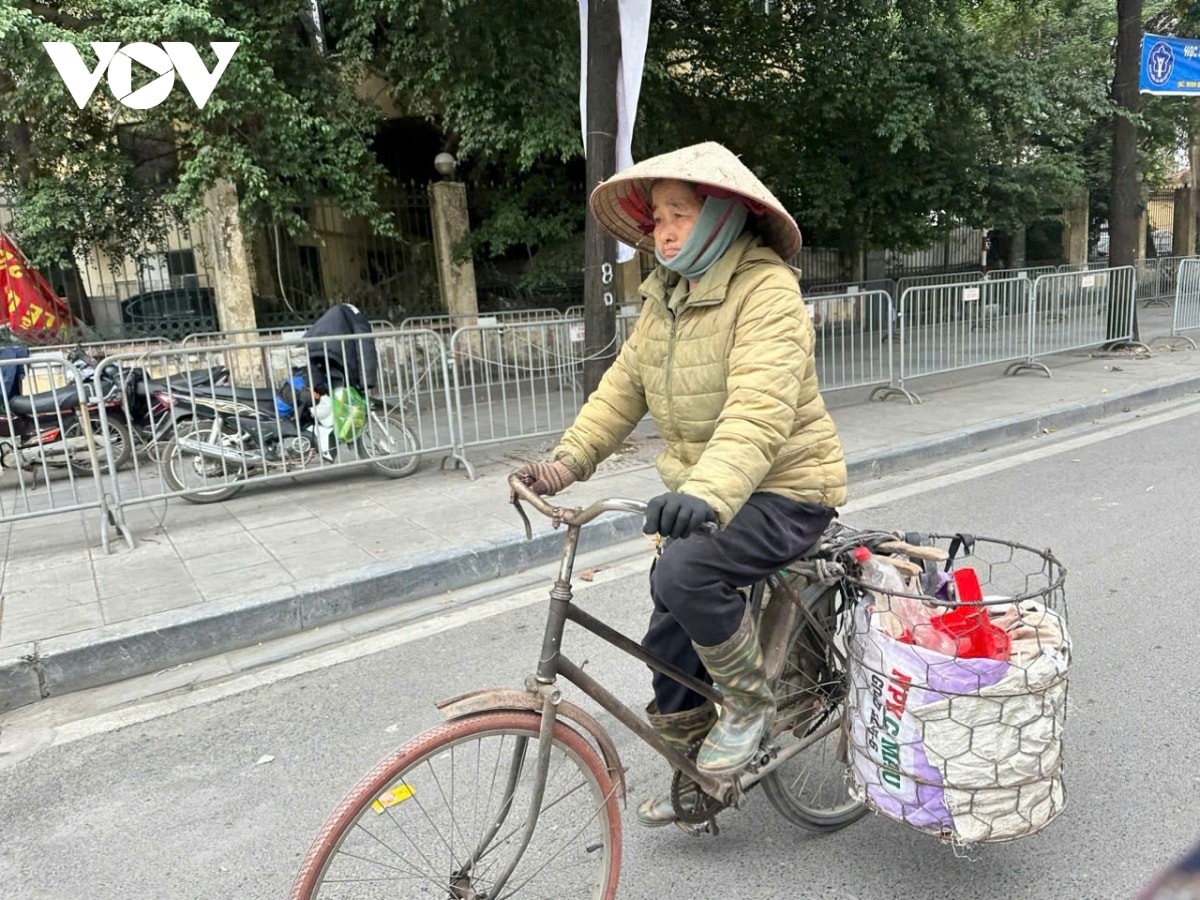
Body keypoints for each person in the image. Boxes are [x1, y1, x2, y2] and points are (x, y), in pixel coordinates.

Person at [513, 141, 848, 828]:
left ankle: (749, 704)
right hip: (712, 491)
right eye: (657, 216)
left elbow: (760, 409)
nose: (663, 230)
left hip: (785, 488)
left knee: (687, 573)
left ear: (723, 215)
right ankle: (695, 757)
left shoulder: (766, 291)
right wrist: (564, 463)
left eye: (680, 214)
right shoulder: (665, 296)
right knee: (667, 621)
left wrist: (705, 494)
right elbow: (620, 393)